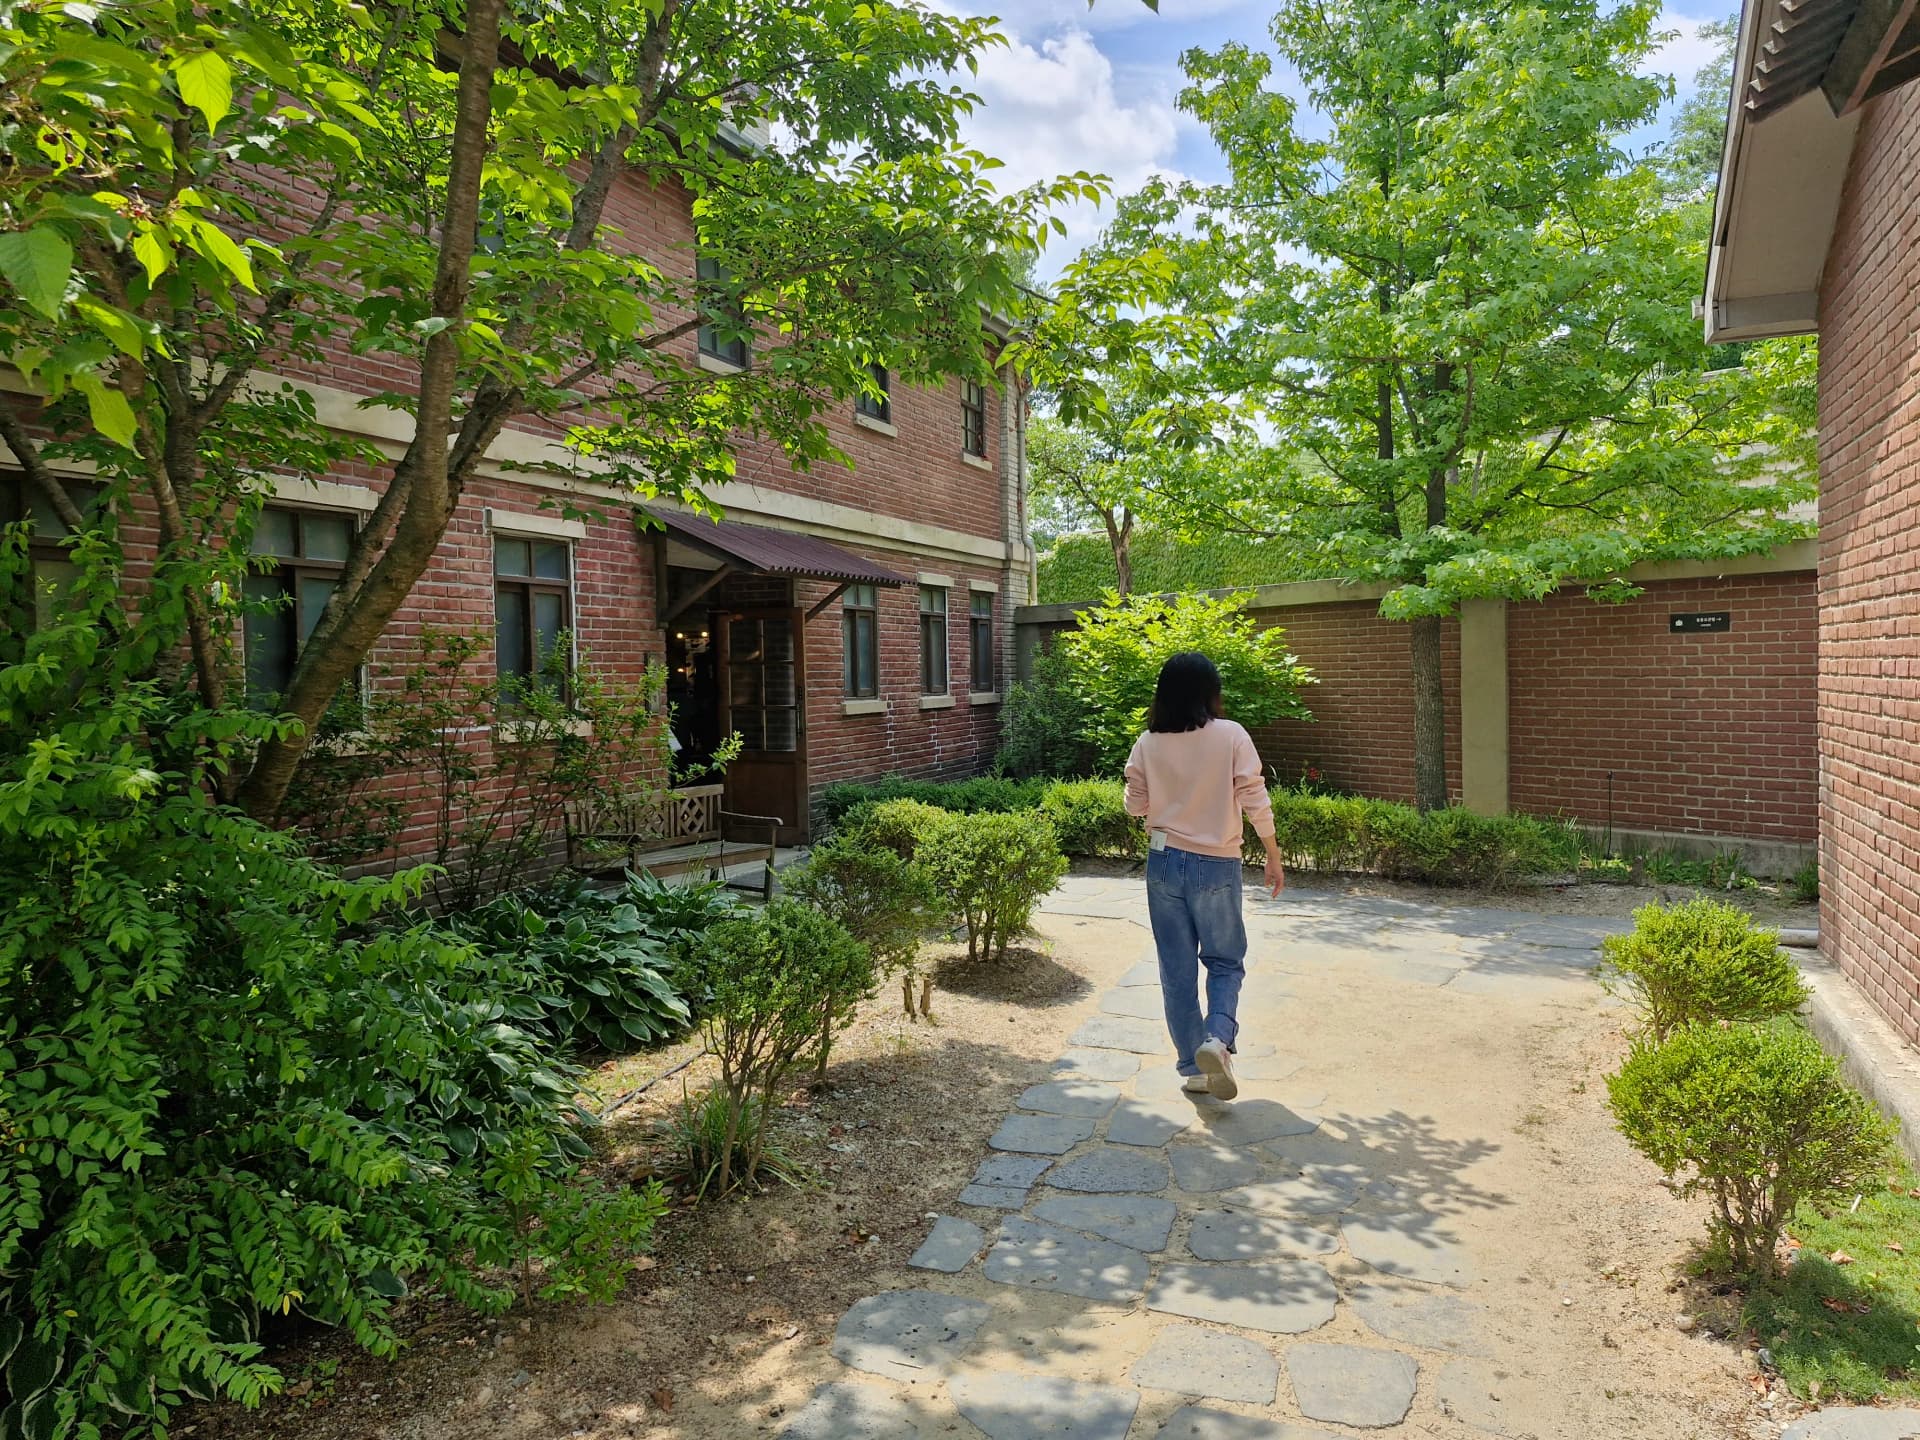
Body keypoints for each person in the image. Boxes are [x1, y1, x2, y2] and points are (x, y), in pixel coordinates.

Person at [1124, 652, 1285, 1101]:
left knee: (1176, 968)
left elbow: (1135, 806)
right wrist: (1272, 854)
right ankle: (1217, 1039)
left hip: (1162, 861)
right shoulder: (1231, 735)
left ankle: (1193, 1068)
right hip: (1215, 862)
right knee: (1225, 960)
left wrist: (1158, 795)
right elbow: (1254, 798)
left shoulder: (1147, 743)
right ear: (1210, 692)